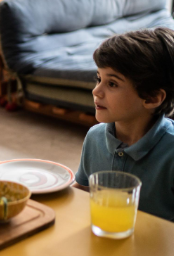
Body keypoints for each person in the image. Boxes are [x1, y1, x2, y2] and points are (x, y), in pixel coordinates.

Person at [73, 28, 174, 221]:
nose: (96, 91)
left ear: (152, 97)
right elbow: (82, 190)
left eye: (112, 84)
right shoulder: (95, 137)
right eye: (99, 79)